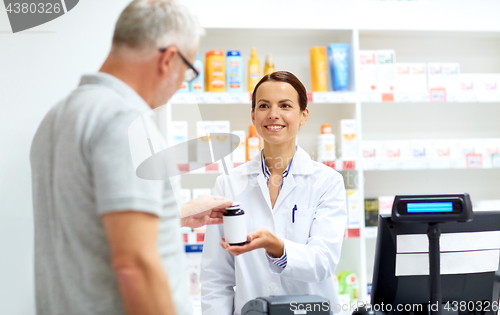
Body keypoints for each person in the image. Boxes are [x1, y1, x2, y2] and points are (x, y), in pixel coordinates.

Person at [30, 1, 232, 315]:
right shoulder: (126, 121)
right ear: (168, 59)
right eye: (188, 72)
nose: (181, 86)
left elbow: (90, 227)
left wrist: (175, 214)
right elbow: (133, 263)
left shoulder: (59, 116)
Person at [200, 71, 347, 315]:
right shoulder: (228, 184)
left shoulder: (327, 182)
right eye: (264, 106)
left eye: (285, 105)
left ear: (303, 115)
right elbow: (216, 277)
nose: (273, 114)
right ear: (253, 116)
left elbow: (323, 263)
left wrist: (276, 247)